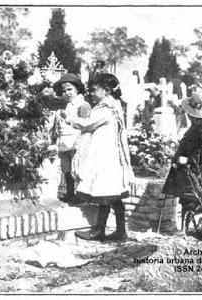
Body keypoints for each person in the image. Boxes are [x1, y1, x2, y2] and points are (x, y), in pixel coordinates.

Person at [67, 73, 134, 242]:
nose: (91, 92)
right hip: (107, 154)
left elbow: (87, 124)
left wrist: (69, 119)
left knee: (105, 193)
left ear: (106, 91)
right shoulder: (111, 106)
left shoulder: (106, 109)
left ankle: (99, 231)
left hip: (105, 157)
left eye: (95, 90)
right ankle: (120, 231)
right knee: (114, 196)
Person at [162, 93, 202, 229]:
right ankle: (184, 228)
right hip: (186, 169)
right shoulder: (195, 125)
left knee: (192, 199)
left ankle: (191, 228)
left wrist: (188, 159)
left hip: (196, 169)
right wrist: (176, 158)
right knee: (186, 199)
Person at [51, 73, 91, 203]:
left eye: (70, 89)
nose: (67, 93)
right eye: (64, 91)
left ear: (77, 89)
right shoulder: (67, 106)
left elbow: (85, 125)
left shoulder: (82, 105)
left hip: (76, 141)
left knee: (76, 169)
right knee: (66, 169)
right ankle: (70, 194)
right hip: (65, 141)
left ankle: (80, 195)